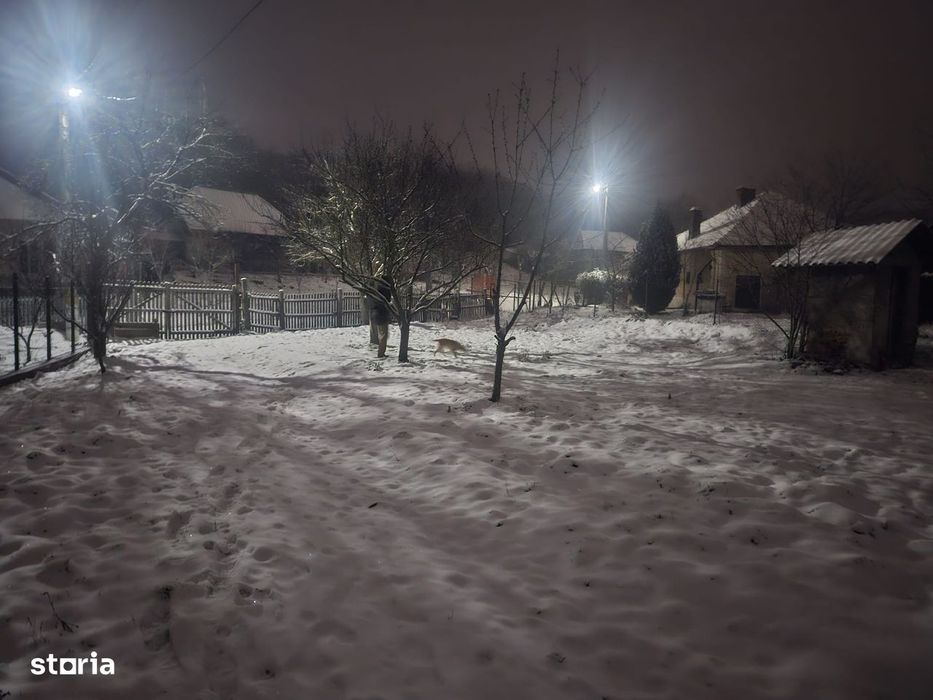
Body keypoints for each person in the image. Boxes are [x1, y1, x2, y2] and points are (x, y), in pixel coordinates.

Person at [370, 278, 392, 358]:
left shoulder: (378, 290)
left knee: (382, 335)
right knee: (384, 335)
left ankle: (381, 352)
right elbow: (387, 302)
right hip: (381, 315)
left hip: (377, 314)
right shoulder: (386, 290)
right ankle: (381, 353)